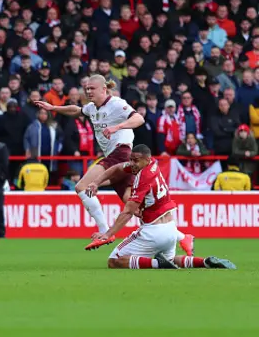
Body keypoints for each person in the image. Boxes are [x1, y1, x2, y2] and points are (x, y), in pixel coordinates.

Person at [35, 74, 194, 254]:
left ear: (104, 89)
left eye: (92, 88)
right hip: (115, 155)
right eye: (86, 89)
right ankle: (182, 236)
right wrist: (53, 107)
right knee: (135, 207)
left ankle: (104, 230)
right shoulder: (92, 108)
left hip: (121, 153)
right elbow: (76, 110)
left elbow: (139, 119)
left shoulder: (117, 103)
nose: (88, 92)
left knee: (81, 186)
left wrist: (118, 127)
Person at [85, 144, 235, 270]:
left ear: (145, 159)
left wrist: (108, 234)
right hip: (171, 230)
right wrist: (96, 182)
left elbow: (128, 212)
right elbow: (117, 168)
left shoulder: (142, 178)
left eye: (135, 161)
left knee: (114, 260)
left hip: (153, 231)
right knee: (171, 259)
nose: (132, 164)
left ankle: (157, 264)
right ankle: (204, 262)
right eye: (131, 160)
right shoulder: (152, 164)